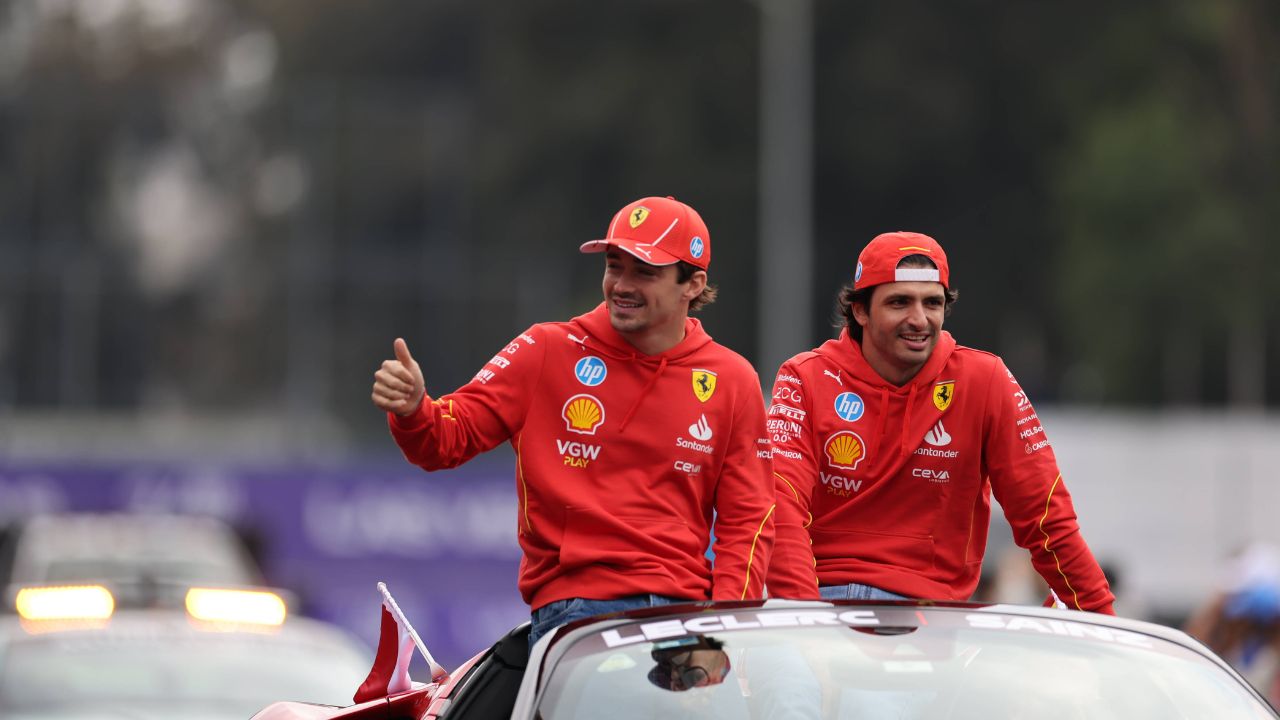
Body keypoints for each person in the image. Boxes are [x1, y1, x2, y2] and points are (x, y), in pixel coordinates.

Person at [371, 196, 776, 649]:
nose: (621, 284)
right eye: (613, 265)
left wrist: (723, 634)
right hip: (578, 610)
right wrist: (412, 410)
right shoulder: (546, 348)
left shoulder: (733, 379)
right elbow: (444, 440)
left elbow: (750, 521)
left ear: (693, 284)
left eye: (644, 271)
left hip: (683, 617)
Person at [765, 231, 1114, 614]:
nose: (919, 319)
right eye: (899, 302)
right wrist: (806, 624)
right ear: (860, 311)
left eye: (932, 303)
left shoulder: (984, 379)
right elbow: (780, 508)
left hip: (935, 620)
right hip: (823, 604)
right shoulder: (804, 377)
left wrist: (1103, 620)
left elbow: (1046, 515)